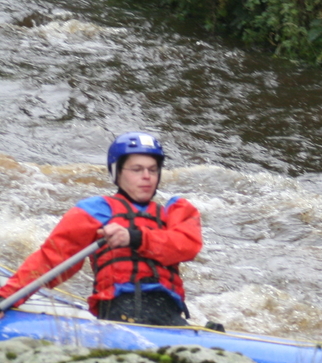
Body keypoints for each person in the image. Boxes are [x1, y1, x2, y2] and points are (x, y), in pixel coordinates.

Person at [0, 132, 202, 326]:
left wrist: (134, 237)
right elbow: (52, 259)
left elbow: (186, 246)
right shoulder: (95, 210)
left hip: (168, 312)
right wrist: (6, 297)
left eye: (153, 169)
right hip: (119, 307)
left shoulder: (175, 211)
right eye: (137, 169)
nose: (147, 176)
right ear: (117, 172)